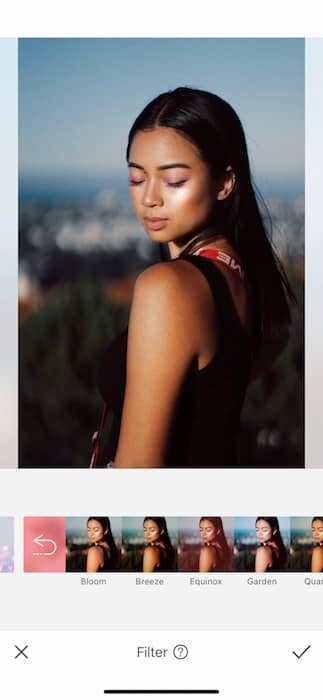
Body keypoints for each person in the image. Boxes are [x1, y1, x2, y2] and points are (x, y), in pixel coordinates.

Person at [97, 87, 294, 468]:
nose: (149, 197)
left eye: (173, 181)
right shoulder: (243, 276)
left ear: (224, 182)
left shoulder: (168, 288)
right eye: (137, 179)